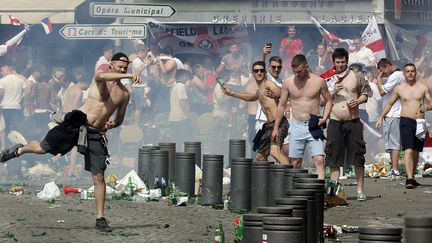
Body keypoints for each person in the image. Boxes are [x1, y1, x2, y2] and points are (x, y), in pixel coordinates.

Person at [0, 52, 141, 232]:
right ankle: (18, 150)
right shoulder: (100, 77)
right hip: (76, 123)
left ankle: (100, 218)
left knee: (98, 175)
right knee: (42, 149)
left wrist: (111, 124)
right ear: (111, 65)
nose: (123, 69)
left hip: (95, 132)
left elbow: (119, 119)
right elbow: (102, 75)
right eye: (120, 67)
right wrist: (128, 76)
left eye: (126, 67)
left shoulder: (124, 94)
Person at [272, 54, 333, 179]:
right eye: (295, 72)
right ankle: (296, 192)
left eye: (300, 71)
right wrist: (275, 127)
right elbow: (281, 105)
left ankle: (320, 193)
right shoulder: (288, 82)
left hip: (314, 124)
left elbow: (329, 101)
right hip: (296, 125)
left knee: (319, 160)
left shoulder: (319, 81)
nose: (297, 74)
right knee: (295, 163)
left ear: (306, 66)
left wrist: (324, 117)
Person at [321, 48, 371, 201]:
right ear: (333, 62)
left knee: (358, 156)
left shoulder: (356, 75)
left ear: (347, 61)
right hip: (335, 121)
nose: (341, 65)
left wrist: (358, 100)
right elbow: (321, 101)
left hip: (353, 120)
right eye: (338, 62)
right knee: (333, 156)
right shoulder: (327, 78)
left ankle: (360, 191)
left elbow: (366, 94)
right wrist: (333, 92)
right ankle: (335, 192)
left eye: (343, 62)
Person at [376, 64, 432, 189]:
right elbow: (390, 103)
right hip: (405, 120)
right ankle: (409, 178)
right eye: (408, 71)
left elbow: (431, 101)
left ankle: (412, 175)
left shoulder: (423, 87)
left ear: (416, 73)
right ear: (404, 73)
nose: (410, 73)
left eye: (412, 71)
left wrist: (428, 107)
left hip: (420, 122)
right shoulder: (399, 88)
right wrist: (381, 117)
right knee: (409, 149)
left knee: (416, 150)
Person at [224, 61, 289, 164]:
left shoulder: (268, 83)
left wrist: (275, 94)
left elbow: (279, 92)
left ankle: (292, 177)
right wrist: (232, 93)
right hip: (269, 125)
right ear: (253, 73)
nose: (259, 73)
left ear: (265, 72)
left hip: (279, 123)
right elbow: (251, 97)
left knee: (274, 152)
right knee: (260, 157)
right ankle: (269, 179)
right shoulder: (260, 89)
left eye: (261, 70)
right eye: (256, 71)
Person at [375, 58, 405, 179]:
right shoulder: (394, 76)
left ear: (388, 66)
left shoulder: (396, 75)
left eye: (383, 71)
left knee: (394, 142)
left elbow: (382, 92)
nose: (383, 74)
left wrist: (378, 80)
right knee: (391, 142)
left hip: (394, 113)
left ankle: (395, 169)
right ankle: (394, 168)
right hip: (390, 113)